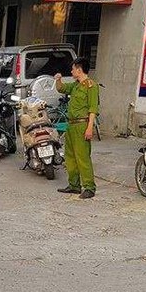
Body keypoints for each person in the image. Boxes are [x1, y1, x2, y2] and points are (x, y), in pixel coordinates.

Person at [55, 57, 100, 199]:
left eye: (73, 69)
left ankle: (89, 187)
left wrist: (89, 128)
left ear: (79, 70)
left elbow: (93, 108)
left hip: (82, 124)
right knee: (70, 157)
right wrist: (58, 79)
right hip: (71, 124)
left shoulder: (91, 86)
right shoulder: (75, 85)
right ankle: (74, 185)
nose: (71, 71)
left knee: (83, 157)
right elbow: (61, 88)